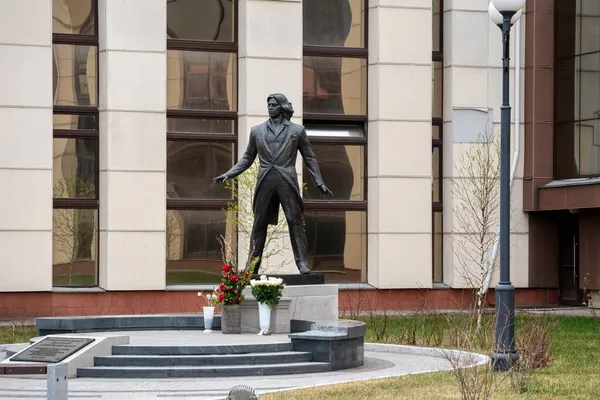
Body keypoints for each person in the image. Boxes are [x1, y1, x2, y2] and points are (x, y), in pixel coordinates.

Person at [213, 93, 332, 274]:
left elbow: (310, 157)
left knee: (295, 222)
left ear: (282, 107)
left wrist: (319, 181)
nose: (270, 107)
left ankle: (302, 264)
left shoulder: (297, 131)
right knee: (259, 224)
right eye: (268, 104)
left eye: (274, 105)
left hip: (287, 181)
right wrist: (230, 174)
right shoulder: (257, 131)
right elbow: (247, 158)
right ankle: (252, 267)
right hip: (265, 181)